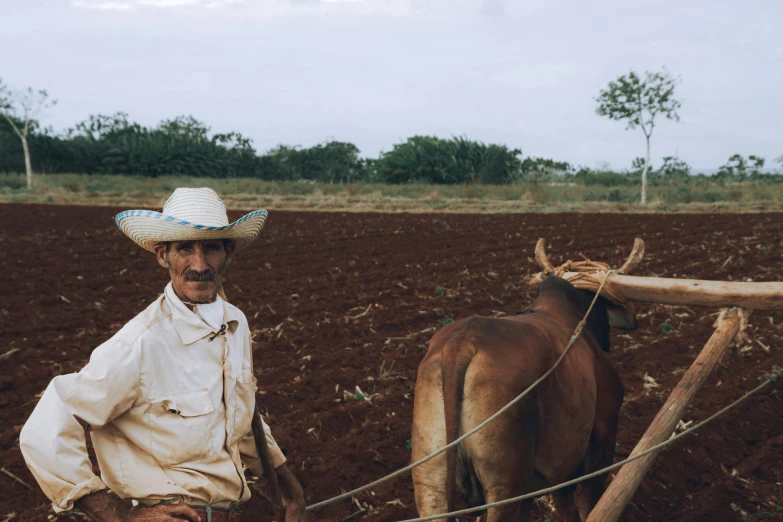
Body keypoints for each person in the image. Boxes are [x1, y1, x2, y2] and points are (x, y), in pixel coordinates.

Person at [20, 188, 306, 522]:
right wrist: (119, 517)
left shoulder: (235, 323)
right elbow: (46, 427)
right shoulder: (139, 344)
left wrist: (290, 490)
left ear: (228, 253)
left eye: (211, 248)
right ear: (162, 256)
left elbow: (243, 418)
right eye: (185, 248)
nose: (199, 265)